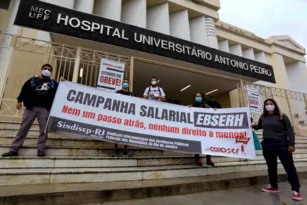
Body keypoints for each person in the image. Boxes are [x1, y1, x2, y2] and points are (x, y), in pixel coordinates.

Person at [2, 64, 63, 157]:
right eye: (45, 68)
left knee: (44, 130)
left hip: (44, 109)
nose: (47, 70)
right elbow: (24, 90)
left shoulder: (54, 83)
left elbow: (62, 91)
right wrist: (19, 101)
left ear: (51, 72)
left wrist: (63, 83)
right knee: (23, 128)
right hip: (30, 108)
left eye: (49, 69)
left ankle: (41, 150)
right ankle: (14, 149)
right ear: (41, 69)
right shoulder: (32, 80)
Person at [252, 98, 302, 201]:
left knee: (289, 168)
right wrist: (252, 126)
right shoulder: (263, 117)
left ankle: (296, 190)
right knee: (271, 167)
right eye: (267, 104)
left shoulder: (282, 116)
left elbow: (289, 131)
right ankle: (274, 186)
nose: (269, 105)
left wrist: (291, 144)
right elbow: (259, 126)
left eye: (271, 103)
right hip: (268, 146)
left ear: (275, 105)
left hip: (282, 145)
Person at [189, 92, 215, 167]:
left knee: (208, 143)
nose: (198, 97)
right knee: (196, 144)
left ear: (202, 97)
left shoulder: (206, 106)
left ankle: (208, 159)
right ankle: (197, 159)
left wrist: (215, 110)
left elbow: (213, 112)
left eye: (199, 96)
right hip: (196, 129)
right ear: (194, 98)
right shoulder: (191, 106)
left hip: (205, 129)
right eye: (196, 96)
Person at [113, 79, 133, 157]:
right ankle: (116, 150)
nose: (126, 83)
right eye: (124, 82)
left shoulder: (130, 94)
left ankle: (125, 151)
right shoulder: (118, 92)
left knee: (126, 133)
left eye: (127, 82)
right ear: (122, 84)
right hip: (118, 116)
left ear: (128, 84)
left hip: (127, 117)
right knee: (115, 133)